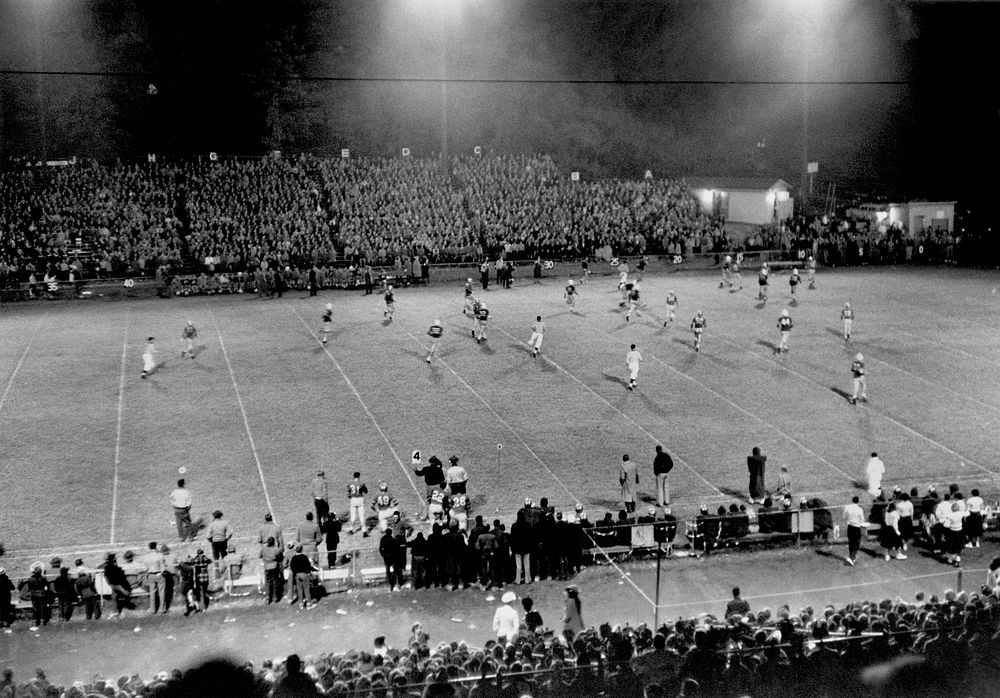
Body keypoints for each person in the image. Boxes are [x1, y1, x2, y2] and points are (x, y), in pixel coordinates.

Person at [142, 541, 168, 614]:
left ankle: (152, 609)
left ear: (149, 547)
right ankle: (162, 609)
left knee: (152, 593)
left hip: (151, 575)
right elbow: (163, 567)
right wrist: (161, 573)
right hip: (159, 574)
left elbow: (145, 567)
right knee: (161, 592)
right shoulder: (160, 555)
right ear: (156, 547)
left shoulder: (147, 556)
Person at [843, 496, 869, 566]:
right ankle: (851, 558)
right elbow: (862, 520)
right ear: (858, 501)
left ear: (852, 500)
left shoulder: (847, 507)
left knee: (851, 542)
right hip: (857, 528)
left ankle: (852, 557)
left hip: (850, 527)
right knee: (857, 543)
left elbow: (844, 516)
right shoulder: (859, 509)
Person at [206, 510, 233, 574]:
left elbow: (208, 535)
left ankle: (217, 572)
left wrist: (211, 540)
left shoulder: (211, 524)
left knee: (216, 557)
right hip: (223, 541)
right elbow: (230, 532)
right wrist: (226, 538)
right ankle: (226, 571)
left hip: (214, 542)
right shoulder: (225, 523)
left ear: (214, 517)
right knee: (224, 556)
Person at [261, 536, 282, 604]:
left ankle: (268, 597)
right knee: (275, 581)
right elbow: (279, 557)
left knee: (268, 582)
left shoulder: (263, 549)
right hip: (274, 566)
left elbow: (260, 555)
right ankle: (275, 597)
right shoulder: (276, 549)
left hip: (267, 567)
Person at [347, 471, 369, 536]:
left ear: (354, 476)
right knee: (362, 516)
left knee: (353, 516)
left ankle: (351, 529)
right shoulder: (361, 483)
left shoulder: (350, 483)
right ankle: (364, 531)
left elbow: (349, 492)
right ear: (359, 476)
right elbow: (366, 491)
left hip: (353, 499)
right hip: (360, 499)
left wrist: (350, 496)